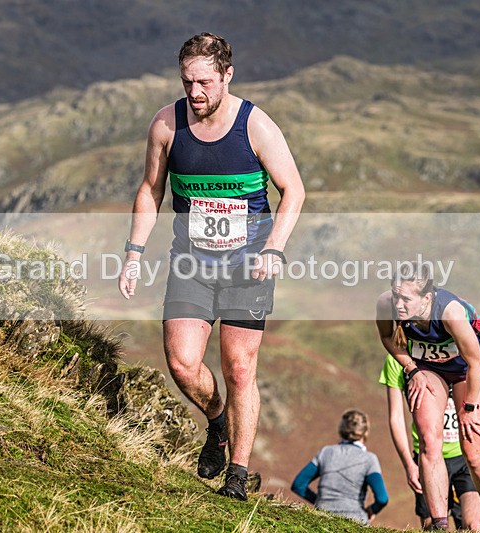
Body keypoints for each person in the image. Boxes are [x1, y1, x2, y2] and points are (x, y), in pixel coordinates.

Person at [118, 32, 304, 501]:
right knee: (183, 364)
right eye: (187, 82)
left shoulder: (255, 126)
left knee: (239, 368)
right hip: (191, 262)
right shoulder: (166, 124)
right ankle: (217, 421)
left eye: (204, 82)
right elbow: (151, 190)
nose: (195, 92)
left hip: (248, 266)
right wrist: (134, 253)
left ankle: (237, 474)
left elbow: (294, 190)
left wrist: (274, 249)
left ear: (227, 75)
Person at [375, 262, 480, 530]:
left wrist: (469, 407)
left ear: (426, 298)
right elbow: (387, 337)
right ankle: (439, 524)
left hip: (468, 370)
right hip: (429, 367)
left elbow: (476, 362)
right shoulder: (386, 304)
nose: (398, 304)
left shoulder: (449, 312)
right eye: (396, 295)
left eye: (406, 299)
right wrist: (412, 369)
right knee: (429, 442)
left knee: (473, 449)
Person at [379, 354, 480, 530]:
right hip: (428, 456)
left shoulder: (458, 347)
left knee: (474, 526)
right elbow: (396, 418)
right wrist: (409, 464)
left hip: (462, 455)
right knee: (433, 527)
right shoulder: (396, 359)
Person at [291, 409, 389, 524]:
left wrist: (321, 502)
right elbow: (382, 498)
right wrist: (371, 510)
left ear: (341, 429)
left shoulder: (326, 452)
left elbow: (298, 484)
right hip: (355, 521)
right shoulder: (369, 459)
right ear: (365, 432)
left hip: (321, 519)